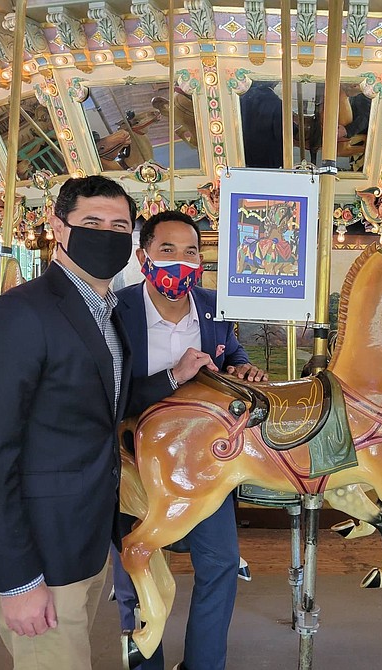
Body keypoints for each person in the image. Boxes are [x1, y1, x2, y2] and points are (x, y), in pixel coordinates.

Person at [0, 176, 214, 670]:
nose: (106, 234)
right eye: (92, 222)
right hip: (41, 558)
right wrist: (16, 579)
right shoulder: (20, 315)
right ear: (58, 227)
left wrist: (174, 377)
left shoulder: (105, 313)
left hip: (89, 543)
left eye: (118, 225)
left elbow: (100, 402)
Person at [112, 210, 267, 670]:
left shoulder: (213, 307)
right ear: (144, 258)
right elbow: (107, 394)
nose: (181, 261)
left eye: (191, 252)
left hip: (203, 463)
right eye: (167, 251)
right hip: (134, 463)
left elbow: (231, 352)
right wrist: (173, 377)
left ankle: (205, 663)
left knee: (220, 564)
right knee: (135, 572)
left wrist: (243, 369)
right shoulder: (116, 313)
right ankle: (145, 664)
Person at [240, 81, 284, 169]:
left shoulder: (243, 98)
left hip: (245, 154)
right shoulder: (276, 103)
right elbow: (280, 133)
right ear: (274, 82)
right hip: (268, 158)